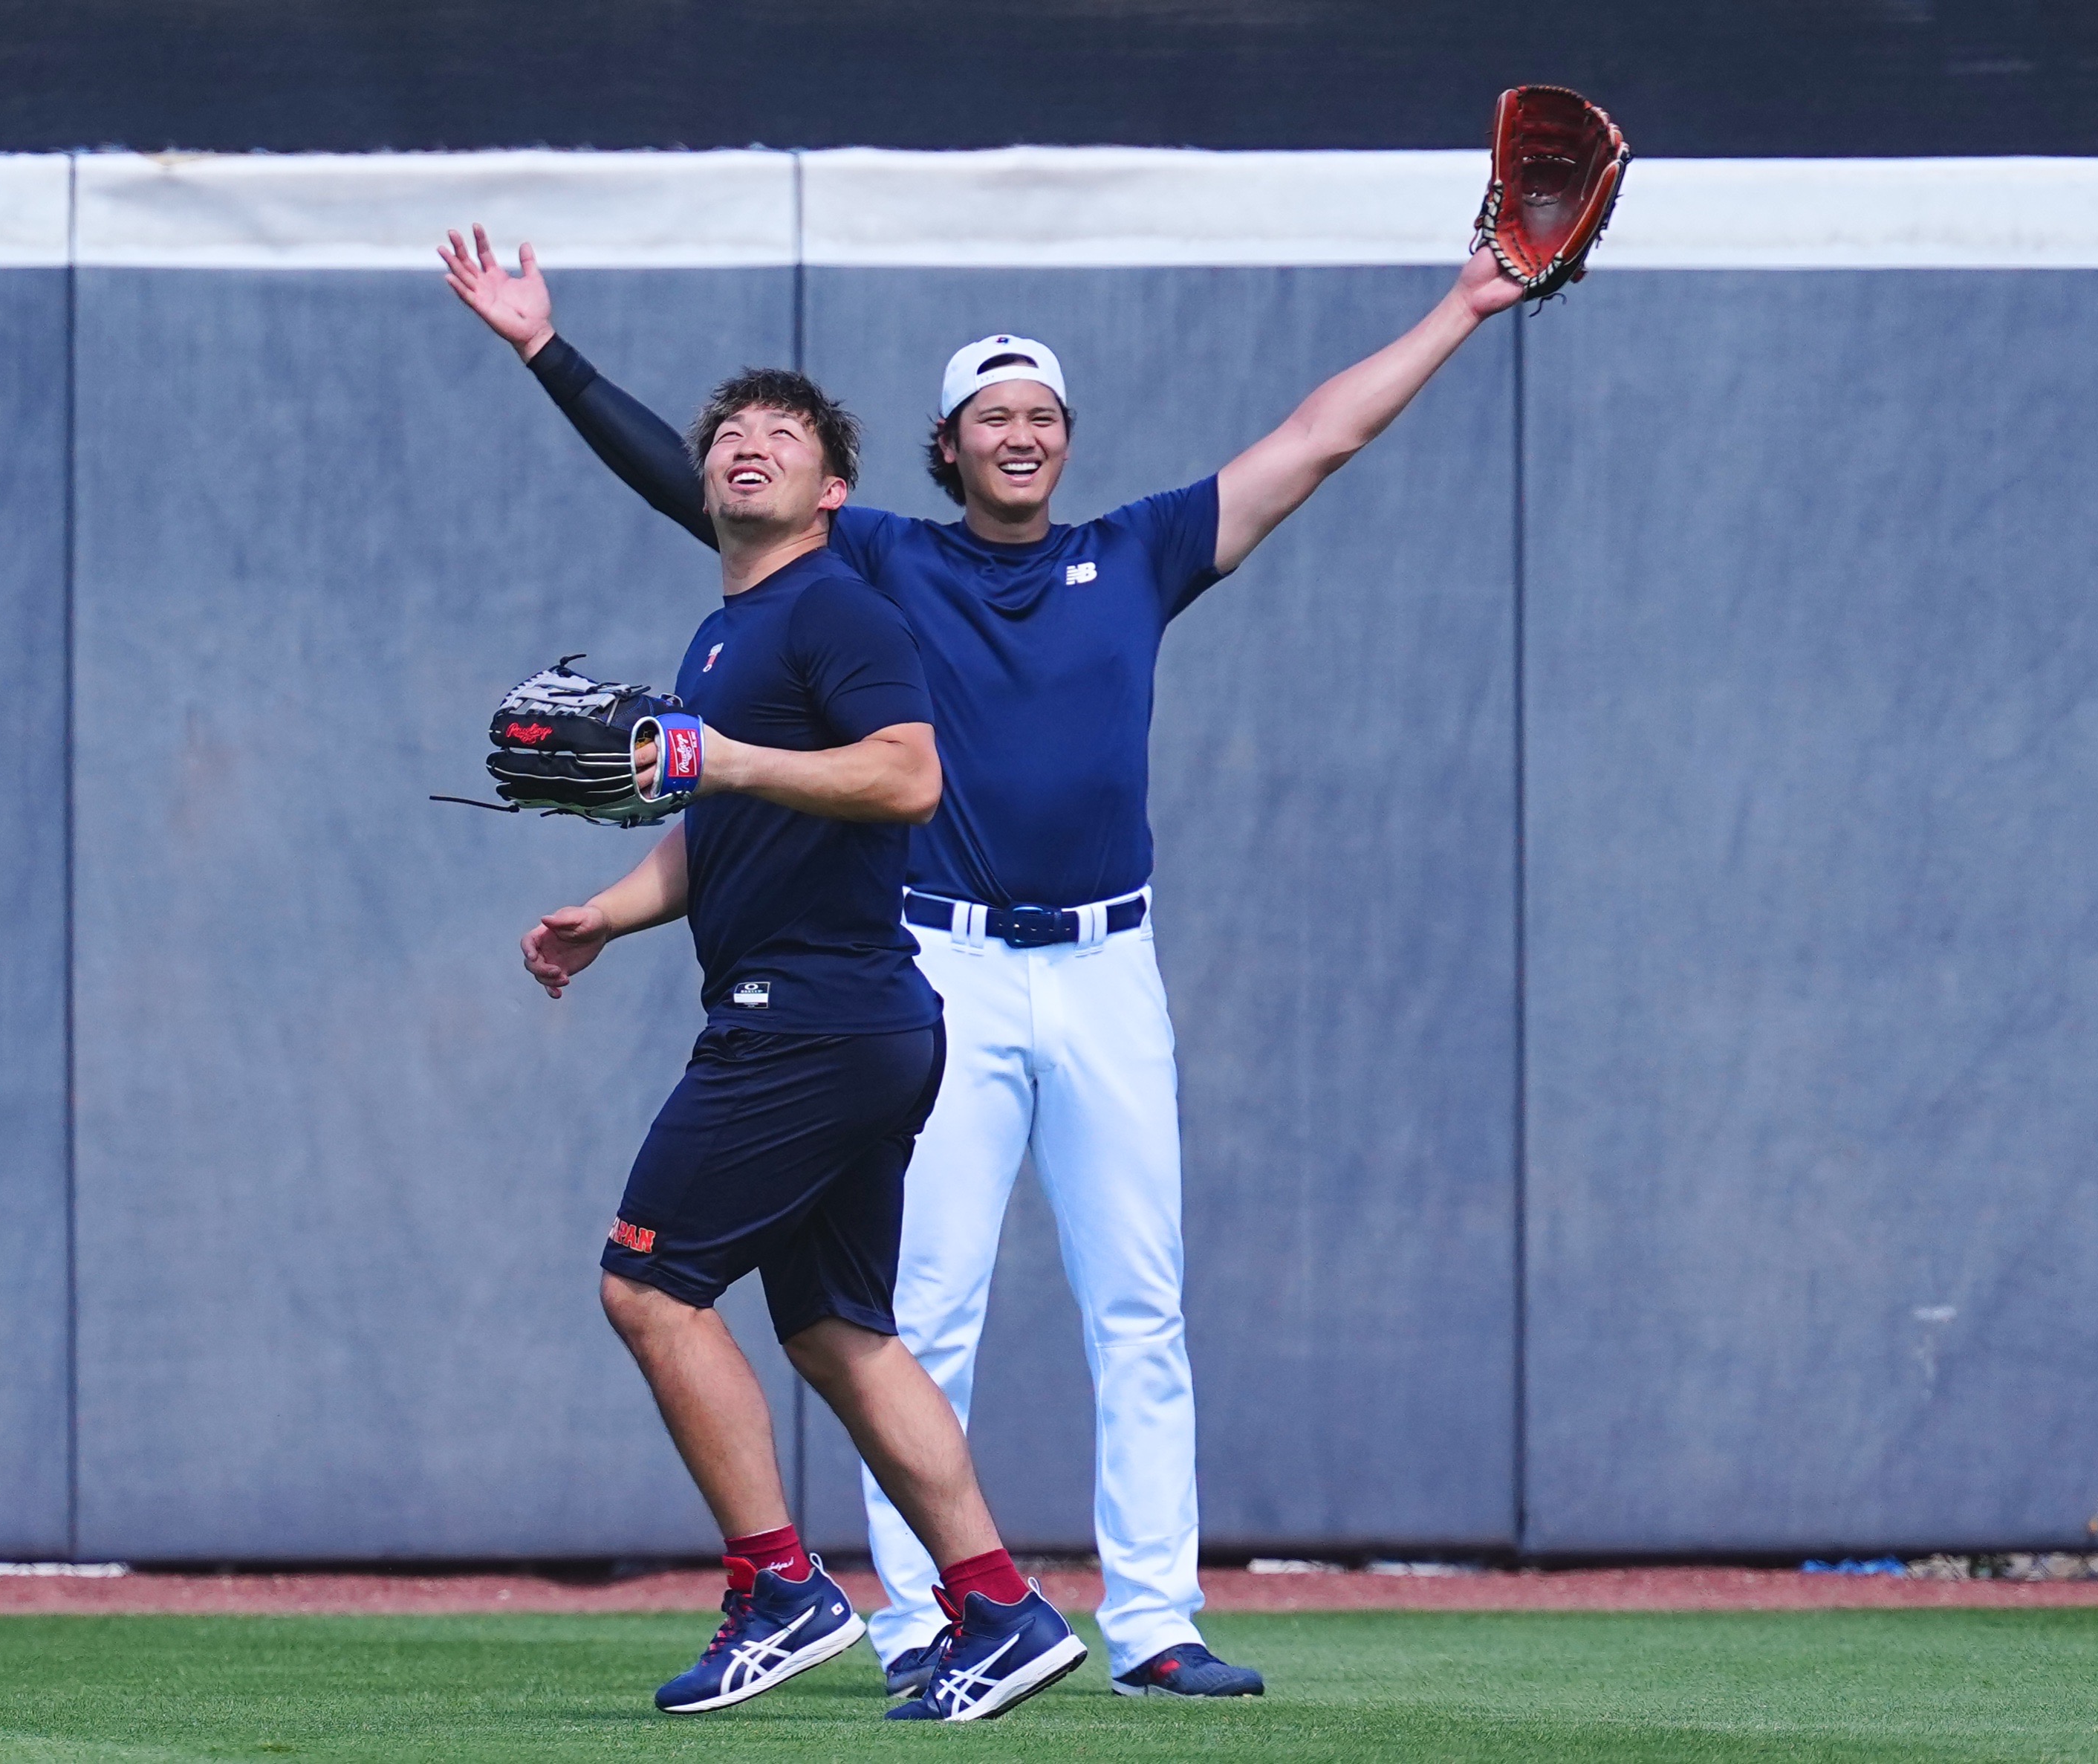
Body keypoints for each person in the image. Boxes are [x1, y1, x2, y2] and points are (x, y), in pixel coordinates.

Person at [453, 224, 1524, 1699]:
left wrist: (1463, 306)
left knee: (1136, 1298)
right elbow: (683, 478)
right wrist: (543, 351)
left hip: (1104, 962)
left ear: (1063, 443)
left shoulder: (1132, 553)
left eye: (1041, 415)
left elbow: (1315, 440)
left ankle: (1154, 1618)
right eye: (990, 417)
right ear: (943, 451)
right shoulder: (881, 562)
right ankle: (928, 1619)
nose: (1019, 432)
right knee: (913, 1306)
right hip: (937, 960)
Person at [518, 366, 1086, 1723]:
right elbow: (721, 825)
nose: (746, 447)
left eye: (784, 436)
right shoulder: (733, 630)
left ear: (834, 491)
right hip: (853, 1018)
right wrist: (608, 912)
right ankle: (999, 1607)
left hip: (809, 1019)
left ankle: (779, 1586)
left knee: (649, 1287)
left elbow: (906, 774)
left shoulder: (835, 606)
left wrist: (714, 757)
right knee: (839, 1332)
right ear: (706, 480)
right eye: (727, 435)